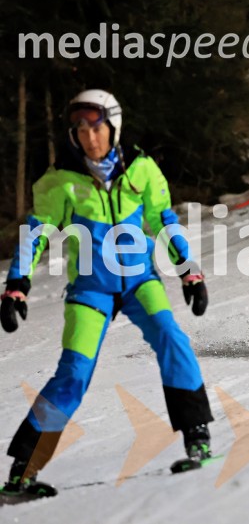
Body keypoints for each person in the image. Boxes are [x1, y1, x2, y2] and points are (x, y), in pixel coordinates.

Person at [0, 89, 213, 495]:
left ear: (113, 126)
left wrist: (189, 270)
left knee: (172, 338)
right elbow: (37, 232)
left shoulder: (142, 169)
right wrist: (16, 284)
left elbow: (163, 218)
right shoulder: (60, 180)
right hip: (90, 289)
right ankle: (22, 471)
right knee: (73, 374)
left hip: (139, 282)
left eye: (95, 127)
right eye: (79, 128)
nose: (88, 136)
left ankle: (196, 437)